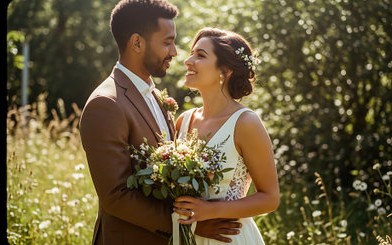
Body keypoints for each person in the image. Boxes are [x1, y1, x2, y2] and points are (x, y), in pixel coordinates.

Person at [79, 1, 241, 244]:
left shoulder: (155, 95)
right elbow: (116, 196)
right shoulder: (106, 104)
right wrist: (189, 225)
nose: (175, 52)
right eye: (167, 42)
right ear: (137, 43)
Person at [173, 27, 280, 244]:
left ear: (226, 70)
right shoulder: (183, 121)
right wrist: (195, 223)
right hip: (188, 235)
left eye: (200, 55)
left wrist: (210, 211)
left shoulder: (246, 123)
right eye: (191, 53)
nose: (188, 60)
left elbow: (270, 198)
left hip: (229, 237)